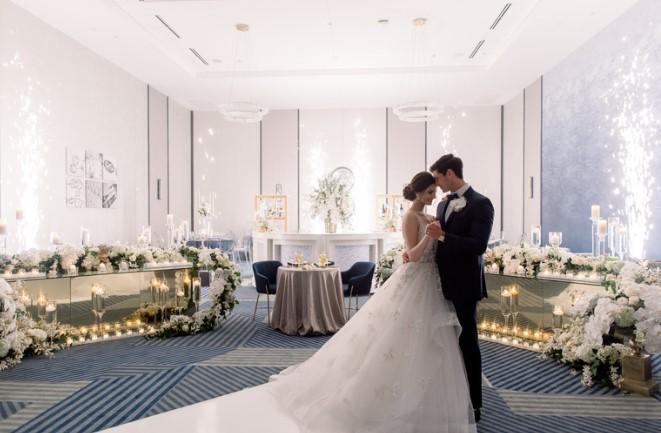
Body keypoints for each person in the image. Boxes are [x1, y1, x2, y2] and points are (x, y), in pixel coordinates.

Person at [102, 171, 476, 433]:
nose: (435, 196)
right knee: (395, 339)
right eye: (431, 192)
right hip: (414, 279)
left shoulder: (431, 214)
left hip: (432, 285)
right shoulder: (411, 217)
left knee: (427, 343)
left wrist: (438, 234)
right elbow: (410, 256)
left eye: (436, 192)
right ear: (421, 191)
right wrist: (429, 237)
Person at [425, 154, 495, 423]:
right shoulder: (443, 204)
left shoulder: (481, 203)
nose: (436, 183)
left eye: (437, 178)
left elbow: (478, 245)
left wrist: (443, 235)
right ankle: (448, 397)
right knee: (443, 341)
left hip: (465, 284)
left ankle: (474, 404)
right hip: (438, 283)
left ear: (450, 174)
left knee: (467, 342)